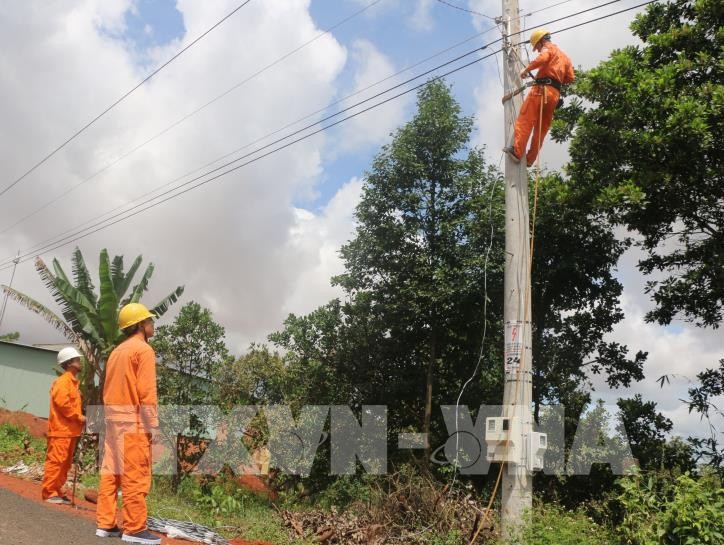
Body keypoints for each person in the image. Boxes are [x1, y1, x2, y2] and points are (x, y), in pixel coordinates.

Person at [95, 303, 161, 545]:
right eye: (150, 321)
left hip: (113, 418)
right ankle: (134, 528)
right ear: (140, 325)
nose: (153, 324)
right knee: (135, 473)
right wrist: (152, 424)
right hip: (132, 420)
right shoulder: (143, 351)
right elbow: (147, 392)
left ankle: (105, 523)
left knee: (111, 471)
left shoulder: (117, 351)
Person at [503, 28, 575, 166]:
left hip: (540, 91)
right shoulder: (565, 57)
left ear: (541, 41)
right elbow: (570, 78)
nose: (537, 50)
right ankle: (530, 160)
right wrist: (555, 80)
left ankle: (517, 152)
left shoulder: (548, 48)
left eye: (537, 47)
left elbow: (543, 57)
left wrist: (527, 69)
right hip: (554, 96)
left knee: (525, 120)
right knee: (541, 129)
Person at [41, 346, 85, 504]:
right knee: (56, 462)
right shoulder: (62, 382)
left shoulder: (73, 383)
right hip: (61, 431)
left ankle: (57, 490)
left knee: (65, 464)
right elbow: (63, 405)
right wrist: (79, 417)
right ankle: (49, 492)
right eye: (77, 360)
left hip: (70, 431)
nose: (80, 362)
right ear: (69, 363)